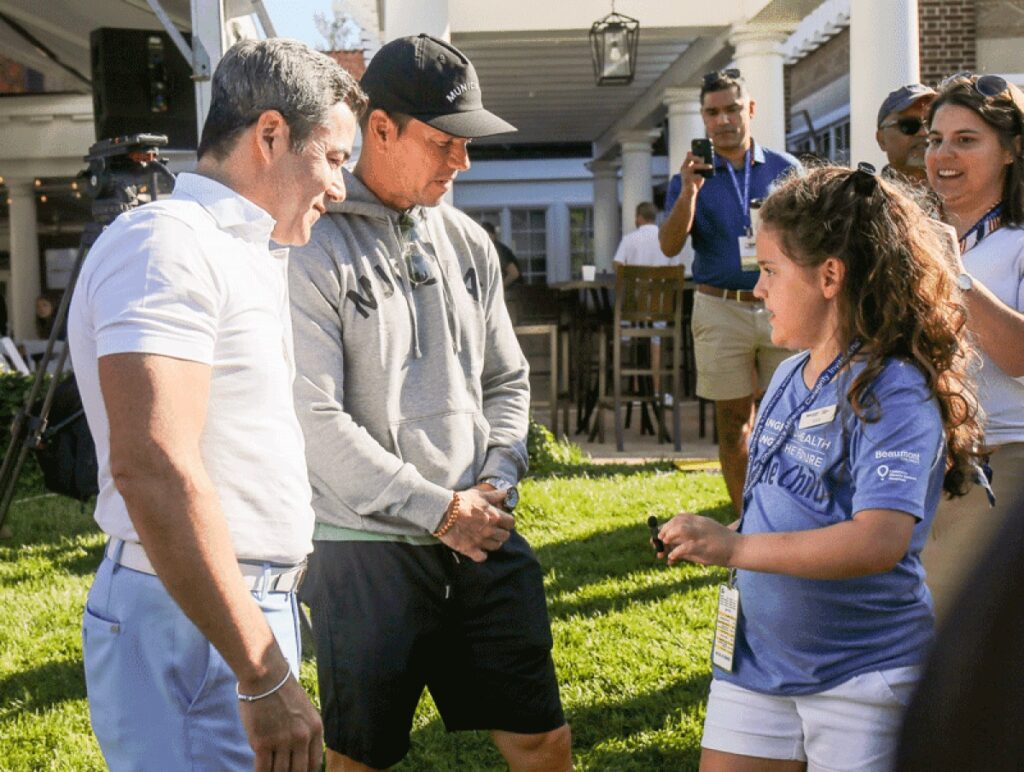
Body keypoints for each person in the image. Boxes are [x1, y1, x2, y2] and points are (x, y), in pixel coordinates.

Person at [67, 39, 365, 770]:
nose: (342, 188)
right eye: (333, 158)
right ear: (270, 135)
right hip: (193, 615)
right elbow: (154, 467)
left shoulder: (240, 252)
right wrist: (261, 670)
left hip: (222, 609)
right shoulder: (167, 244)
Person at [288, 34, 572, 772]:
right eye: (446, 143)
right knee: (359, 756)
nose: (463, 162)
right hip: (364, 548)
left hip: (482, 532)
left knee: (543, 738)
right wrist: (437, 509)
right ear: (380, 128)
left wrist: (499, 477)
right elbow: (314, 420)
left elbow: (507, 381)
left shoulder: (469, 241)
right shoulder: (307, 246)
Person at [655, 164, 982, 771]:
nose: (757, 290)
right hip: (754, 664)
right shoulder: (786, 374)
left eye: (771, 271)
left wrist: (733, 549)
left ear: (830, 275)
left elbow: (878, 540)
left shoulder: (895, 389)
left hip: (863, 680)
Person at [658, 68, 801, 514]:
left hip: (781, 305)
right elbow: (669, 246)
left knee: (791, 420)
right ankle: (748, 522)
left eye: (732, 109)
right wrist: (689, 193)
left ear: (751, 110)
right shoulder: (689, 177)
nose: (723, 120)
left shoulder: (785, 169)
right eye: (712, 112)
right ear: (703, 118)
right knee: (733, 422)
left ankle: (790, 511)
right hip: (720, 306)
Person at [920, 72, 1024, 623]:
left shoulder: (1017, 242)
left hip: (1004, 464)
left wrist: (954, 276)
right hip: (922, 464)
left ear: (1010, 151)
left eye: (966, 139)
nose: (943, 154)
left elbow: (1020, 356)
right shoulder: (921, 238)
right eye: (935, 139)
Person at [876, 83, 936, 185]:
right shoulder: (864, 199)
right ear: (882, 139)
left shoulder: (965, 195)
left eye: (932, 124)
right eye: (909, 125)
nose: (924, 132)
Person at [613, 201, 679, 267]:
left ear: (639, 217)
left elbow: (618, 264)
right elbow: (675, 266)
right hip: (661, 277)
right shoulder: (669, 239)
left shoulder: (628, 239)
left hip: (636, 277)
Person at [481, 220, 522, 289]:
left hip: (513, 292)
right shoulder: (491, 249)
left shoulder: (498, 250)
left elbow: (514, 273)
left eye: (486, 236)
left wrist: (498, 290)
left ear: (493, 235)